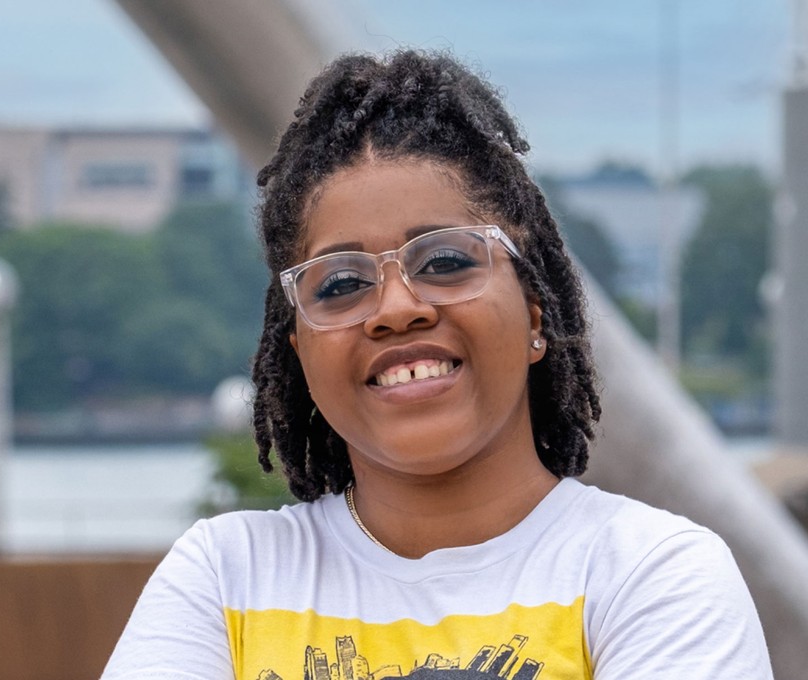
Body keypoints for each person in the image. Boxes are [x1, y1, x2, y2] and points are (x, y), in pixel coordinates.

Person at [102, 50, 772, 679]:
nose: (396, 308)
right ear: (299, 348)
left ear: (535, 311)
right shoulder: (226, 577)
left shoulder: (651, 574)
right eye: (339, 284)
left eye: (446, 261)